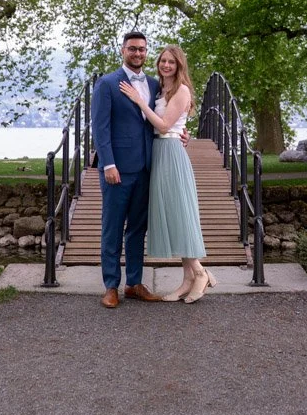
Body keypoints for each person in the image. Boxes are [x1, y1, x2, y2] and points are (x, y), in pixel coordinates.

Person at [119, 44, 214, 303]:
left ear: (179, 65)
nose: (166, 65)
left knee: (179, 213)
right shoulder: (160, 89)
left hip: (171, 153)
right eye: (163, 61)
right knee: (173, 214)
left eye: (172, 62)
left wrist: (138, 100)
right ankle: (187, 280)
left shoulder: (181, 90)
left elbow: (163, 126)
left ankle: (200, 272)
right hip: (159, 153)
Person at [89, 31, 161, 308]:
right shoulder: (107, 84)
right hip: (117, 169)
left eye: (142, 49)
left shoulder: (154, 84)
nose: (138, 53)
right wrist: (108, 163)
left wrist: (181, 133)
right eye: (132, 48)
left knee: (137, 229)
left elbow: (160, 119)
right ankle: (111, 286)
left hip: (146, 167)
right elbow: (100, 128)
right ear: (123, 50)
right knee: (113, 228)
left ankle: (134, 283)